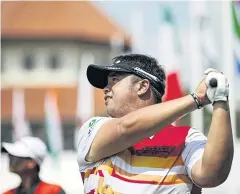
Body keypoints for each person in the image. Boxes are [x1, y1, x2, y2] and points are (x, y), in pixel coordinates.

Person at [77, 54, 234, 194]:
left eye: (114, 80)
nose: (105, 88)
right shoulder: (92, 129)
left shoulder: (187, 138)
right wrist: (196, 98)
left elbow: (212, 176)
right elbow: (124, 128)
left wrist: (219, 99)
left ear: (142, 86)